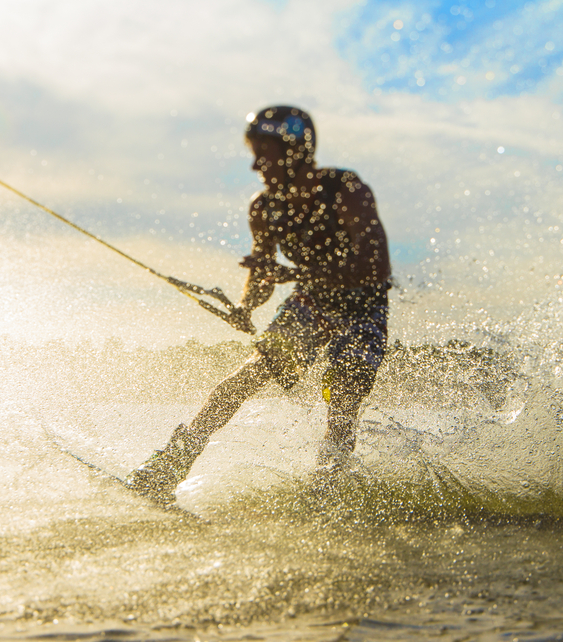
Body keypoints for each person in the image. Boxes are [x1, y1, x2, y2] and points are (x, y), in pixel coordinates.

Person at [126, 105, 392, 505]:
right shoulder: (264, 208)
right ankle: (168, 467)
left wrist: (294, 275)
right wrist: (248, 304)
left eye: (263, 153)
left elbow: (374, 267)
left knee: (342, 396)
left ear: (293, 152)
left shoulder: (345, 190)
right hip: (312, 303)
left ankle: (326, 488)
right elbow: (264, 272)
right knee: (240, 381)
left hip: (362, 305)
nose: (255, 166)